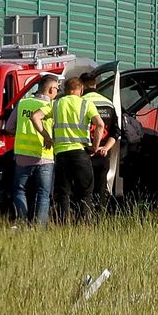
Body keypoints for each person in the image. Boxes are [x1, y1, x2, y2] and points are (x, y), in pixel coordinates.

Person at [51, 77, 107, 222]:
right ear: (81, 89)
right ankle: (84, 223)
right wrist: (95, 147)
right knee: (85, 192)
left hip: (61, 154)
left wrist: (48, 137)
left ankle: (63, 224)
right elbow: (100, 125)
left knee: (63, 193)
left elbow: (37, 117)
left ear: (65, 89)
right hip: (80, 153)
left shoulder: (56, 103)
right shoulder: (86, 103)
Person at [13, 74, 60, 226]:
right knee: (43, 194)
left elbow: (8, 127)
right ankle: (39, 229)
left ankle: (21, 223)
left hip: (22, 157)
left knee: (20, 191)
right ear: (51, 89)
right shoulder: (51, 107)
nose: (58, 92)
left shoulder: (23, 103)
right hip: (44, 157)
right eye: (57, 89)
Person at [80, 74, 120, 211]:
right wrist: (105, 148)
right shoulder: (108, 103)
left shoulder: (80, 102)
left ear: (82, 86)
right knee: (100, 190)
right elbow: (116, 132)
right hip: (103, 155)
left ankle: (83, 218)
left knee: (83, 190)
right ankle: (100, 220)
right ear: (95, 84)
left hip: (84, 153)